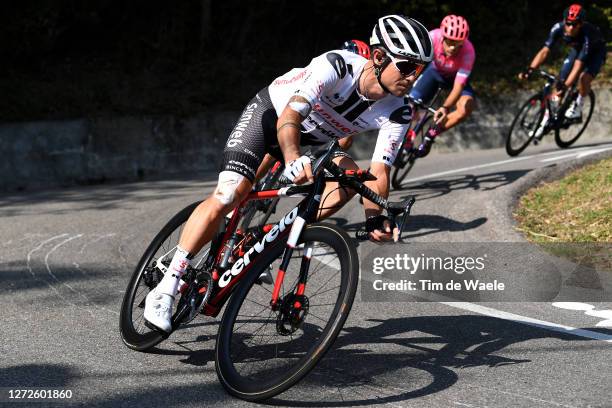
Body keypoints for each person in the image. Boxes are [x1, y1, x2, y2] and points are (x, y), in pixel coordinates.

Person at [143, 15, 434, 332]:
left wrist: (375, 217)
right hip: (271, 118)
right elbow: (292, 115)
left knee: (352, 182)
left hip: (314, 141)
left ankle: (263, 236)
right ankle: (168, 285)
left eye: (420, 70)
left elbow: (379, 169)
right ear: (378, 57)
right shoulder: (337, 66)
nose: (413, 78)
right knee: (231, 193)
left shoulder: (399, 109)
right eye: (407, 67)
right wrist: (292, 157)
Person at [519, 4, 606, 128]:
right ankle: (550, 117)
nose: (570, 27)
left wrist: (565, 87)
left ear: (581, 24)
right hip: (577, 49)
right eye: (568, 23)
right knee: (561, 79)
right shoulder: (558, 28)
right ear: (564, 20)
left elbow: (578, 66)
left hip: (596, 52)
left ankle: (578, 107)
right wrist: (530, 69)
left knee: (584, 78)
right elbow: (544, 51)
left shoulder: (588, 35)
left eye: (574, 24)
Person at [407, 14, 476, 157]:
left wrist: (445, 107)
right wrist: (410, 79)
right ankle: (405, 136)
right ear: (443, 37)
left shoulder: (468, 52)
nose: (452, 47)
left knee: (466, 106)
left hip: (455, 79)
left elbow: (458, 86)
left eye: (457, 43)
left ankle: (432, 134)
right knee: (410, 104)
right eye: (449, 41)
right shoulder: (433, 37)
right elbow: (417, 61)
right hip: (434, 72)